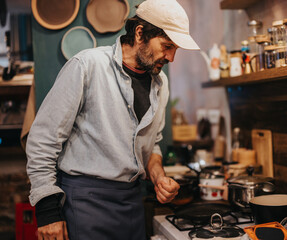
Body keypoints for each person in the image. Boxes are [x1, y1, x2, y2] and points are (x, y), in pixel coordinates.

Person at [26, 0, 200, 239]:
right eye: (167, 46)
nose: (171, 57)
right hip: (84, 202)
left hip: (132, 203)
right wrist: (48, 213)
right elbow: (42, 140)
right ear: (140, 33)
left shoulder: (161, 84)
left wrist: (159, 177)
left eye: (175, 49)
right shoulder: (86, 65)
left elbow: (152, 145)